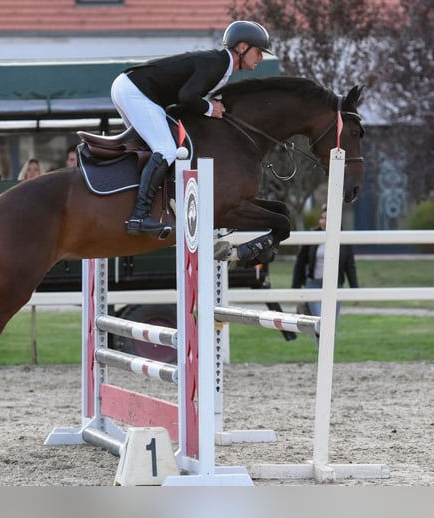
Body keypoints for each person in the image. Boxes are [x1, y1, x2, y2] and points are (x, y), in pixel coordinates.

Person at [110, 20, 273, 237]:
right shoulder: (217, 64)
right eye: (259, 51)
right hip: (136, 91)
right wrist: (209, 108)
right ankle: (139, 216)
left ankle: (132, 205)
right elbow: (186, 97)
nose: (261, 58)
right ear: (242, 47)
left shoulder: (220, 65)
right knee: (166, 149)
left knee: (148, 149)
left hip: (130, 88)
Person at [290, 204, 359, 337]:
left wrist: (354, 290)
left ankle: (328, 357)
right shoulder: (312, 236)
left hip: (335, 287)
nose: (322, 221)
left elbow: (350, 267)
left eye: (327, 218)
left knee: (331, 326)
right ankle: (323, 356)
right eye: (322, 218)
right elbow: (300, 263)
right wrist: (296, 287)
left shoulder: (344, 239)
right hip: (313, 285)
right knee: (320, 323)